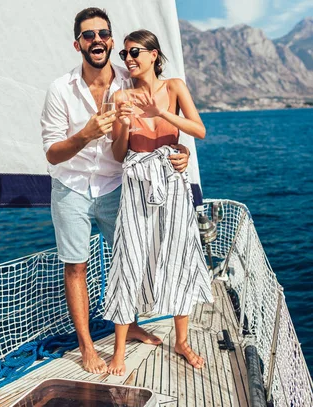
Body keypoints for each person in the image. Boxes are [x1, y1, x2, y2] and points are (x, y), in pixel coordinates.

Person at [40, 8, 191, 374]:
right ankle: (87, 345)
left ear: (111, 40)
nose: (97, 40)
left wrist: (181, 151)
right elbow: (52, 151)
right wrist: (86, 134)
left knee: (132, 260)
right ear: (78, 43)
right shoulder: (60, 89)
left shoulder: (131, 80)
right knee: (76, 266)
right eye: (89, 35)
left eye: (103, 34)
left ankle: (132, 323)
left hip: (116, 186)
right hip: (70, 187)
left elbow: (161, 121)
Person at [103, 29, 214, 376]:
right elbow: (120, 154)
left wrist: (160, 113)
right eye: (124, 54)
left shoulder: (175, 87)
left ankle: (182, 341)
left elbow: (199, 130)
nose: (129, 59)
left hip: (173, 186)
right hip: (136, 188)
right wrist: (121, 127)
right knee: (130, 260)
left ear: (154, 55)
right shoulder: (121, 98)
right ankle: (119, 350)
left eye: (135, 51)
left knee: (180, 257)